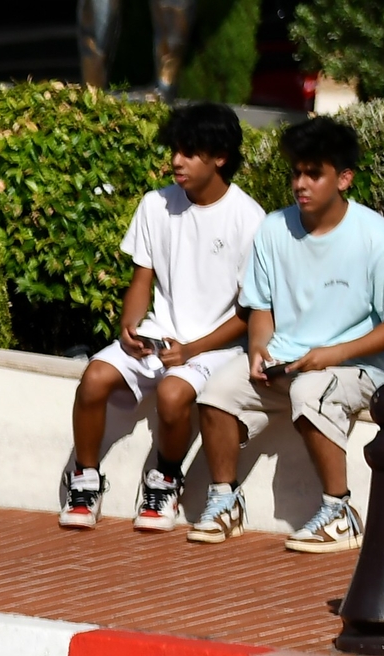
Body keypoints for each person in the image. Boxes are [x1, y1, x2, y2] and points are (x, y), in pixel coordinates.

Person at [187, 116, 384, 553]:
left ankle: (340, 511)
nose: (300, 184)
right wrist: (257, 350)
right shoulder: (273, 229)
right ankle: (225, 501)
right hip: (284, 361)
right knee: (216, 393)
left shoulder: (376, 237)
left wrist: (331, 354)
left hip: (355, 367)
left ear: (344, 179)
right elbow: (262, 308)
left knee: (311, 391)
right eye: (296, 173)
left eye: (313, 173)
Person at [58, 101, 261, 531]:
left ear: (220, 157)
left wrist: (191, 350)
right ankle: (85, 479)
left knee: (172, 395)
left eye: (189, 151)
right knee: (93, 377)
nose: (176, 161)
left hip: (216, 346)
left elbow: (249, 314)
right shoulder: (155, 205)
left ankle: (166, 478)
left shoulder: (250, 219)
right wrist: (129, 328)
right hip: (161, 335)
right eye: (175, 149)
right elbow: (141, 280)